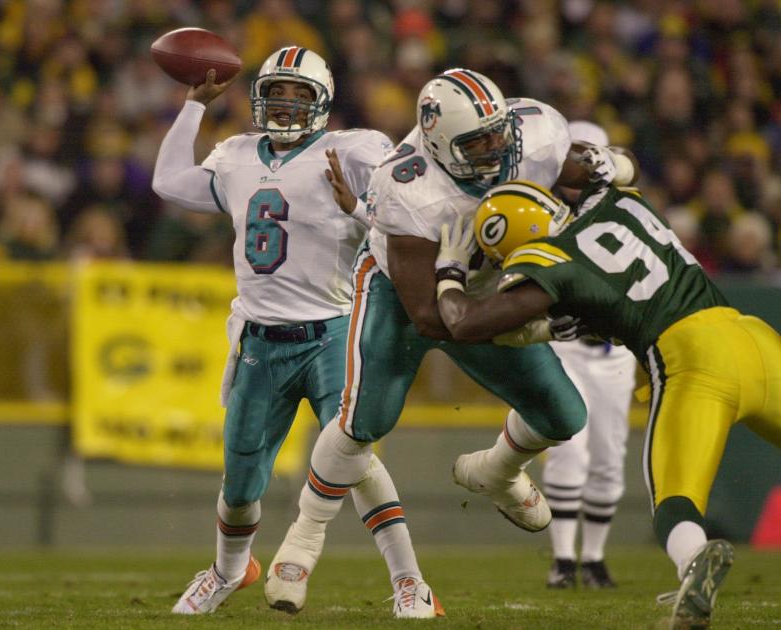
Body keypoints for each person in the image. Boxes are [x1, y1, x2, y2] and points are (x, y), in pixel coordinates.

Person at [268, 68, 638, 606]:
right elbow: (430, 316)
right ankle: (304, 535)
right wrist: (528, 323)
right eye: (475, 141)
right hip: (405, 295)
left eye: (497, 133)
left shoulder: (535, 130)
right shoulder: (408, 184)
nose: (493, 148)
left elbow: (593, 169)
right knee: (363, 420)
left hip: (488, 287)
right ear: (438, 142)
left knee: (564, 417)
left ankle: (498, 471)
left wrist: (612, 167)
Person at [152, 47, 441, 618]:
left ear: (322, 101)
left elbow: (411, 215)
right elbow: (166, 183)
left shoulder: (355, 150)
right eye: (276, 92)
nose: (284, 104)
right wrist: (191, 108)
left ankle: (411, 582)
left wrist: (358, 207)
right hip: (260, 340)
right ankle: (229, 570)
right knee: (239, 486)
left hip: (334, 330)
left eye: (298, 94)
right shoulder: (235, 156)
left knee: (355, 455)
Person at [434, 180, 781, 629]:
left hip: (692, 360)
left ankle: (695, 560)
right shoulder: (615, 201)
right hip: (750, 334)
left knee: (675, 502)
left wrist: (449, 274)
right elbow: (617, 171)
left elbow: (466, 324)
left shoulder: (549, 261)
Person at [543, 121, 638, 590]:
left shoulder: (623, 210)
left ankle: (594, 558)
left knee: (606, 457)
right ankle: (563, 559)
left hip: (612, 351)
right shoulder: (542, 211)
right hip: (565, 344)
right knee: (569, 449)